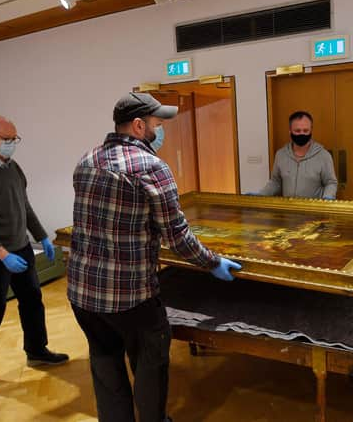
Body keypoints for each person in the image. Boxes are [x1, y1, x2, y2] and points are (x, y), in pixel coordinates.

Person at [68, 92, 241, 422]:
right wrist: (213, 262)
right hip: (131, 298)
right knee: (150, 365)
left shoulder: (86, 160)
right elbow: (177, 237)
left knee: (105, 368)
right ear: (137, 126)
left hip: (82, 295)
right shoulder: (151, 167)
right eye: (157, 125)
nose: (160, 133)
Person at [0, 116, 69, 383]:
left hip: (20, 249)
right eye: (7, 139)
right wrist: (2, 254)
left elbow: (25, 206)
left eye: (14, 139)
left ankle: (36, 350)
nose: (12, 144)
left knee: (32, 300)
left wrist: (43, 237)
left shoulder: (13, 167)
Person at [256, 110, 337, 199]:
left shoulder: (323, 156)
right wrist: (260, 195)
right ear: (290, 131)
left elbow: (330, 183)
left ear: (311, 130)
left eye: (306, 130)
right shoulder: (280, 155)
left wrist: (328, 198)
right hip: (288, 210)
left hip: (313, 211)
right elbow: (275, 182)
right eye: (297, 131)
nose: (302, 133)